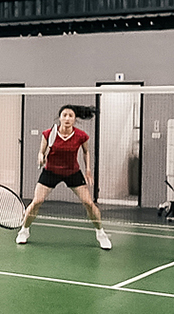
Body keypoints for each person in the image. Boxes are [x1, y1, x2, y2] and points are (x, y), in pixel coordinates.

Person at [15, 105, 112, 250]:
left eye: (70, 116)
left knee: (88, 203)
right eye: (64, 115)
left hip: (72, 172)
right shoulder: (48, 134)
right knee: (37, 202)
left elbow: (86, 152)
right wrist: (41, 158)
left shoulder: (81, 136)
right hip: (51, 172)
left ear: (75, 119)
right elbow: (41, 152)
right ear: (59, 117)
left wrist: (88, 170)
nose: (67, 118)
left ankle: (100, 233)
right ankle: (24, 230)